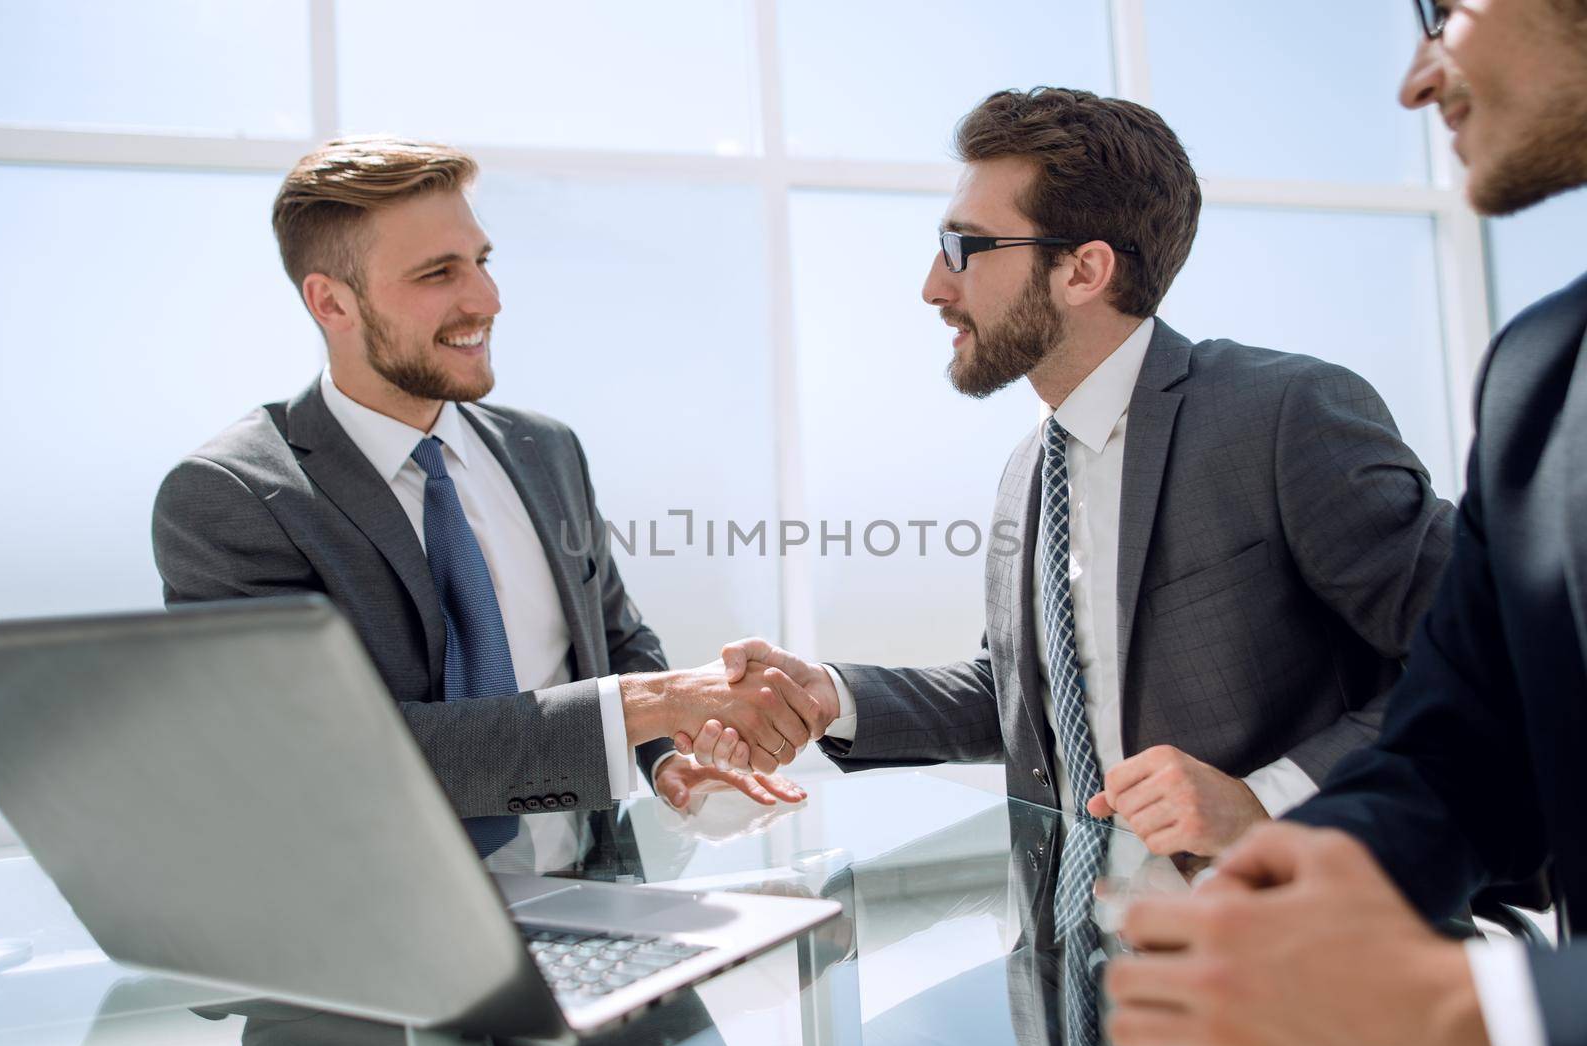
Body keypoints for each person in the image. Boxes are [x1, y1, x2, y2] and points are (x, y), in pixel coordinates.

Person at [691, 87, 1455, 862]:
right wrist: (833, 696)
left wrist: (1266, 798)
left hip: (1289, 940)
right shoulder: (1030, 469)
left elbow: (1476, 650)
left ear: (1083, 270)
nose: (933, 285)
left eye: (965, 248)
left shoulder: (1283, 413)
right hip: (1080, 952)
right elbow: (1022, 695)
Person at [1106, 2, 1587, 1046]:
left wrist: (1488, 1019)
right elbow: (1460, 748)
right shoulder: (1537, 380)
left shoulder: (1280, 410)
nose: (1414, 82)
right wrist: (1287, 891)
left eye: (1446, 10)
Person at [151, 137, 822, 857]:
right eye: (439, 273)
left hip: (598, 895)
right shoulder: (232, 498)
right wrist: (650, 704)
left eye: (482, 261)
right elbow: (322, 755)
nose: (488, 299)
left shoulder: (547, 450)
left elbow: (613, 638)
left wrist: (663, 753)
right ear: (331, 301)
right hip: (389, 938)